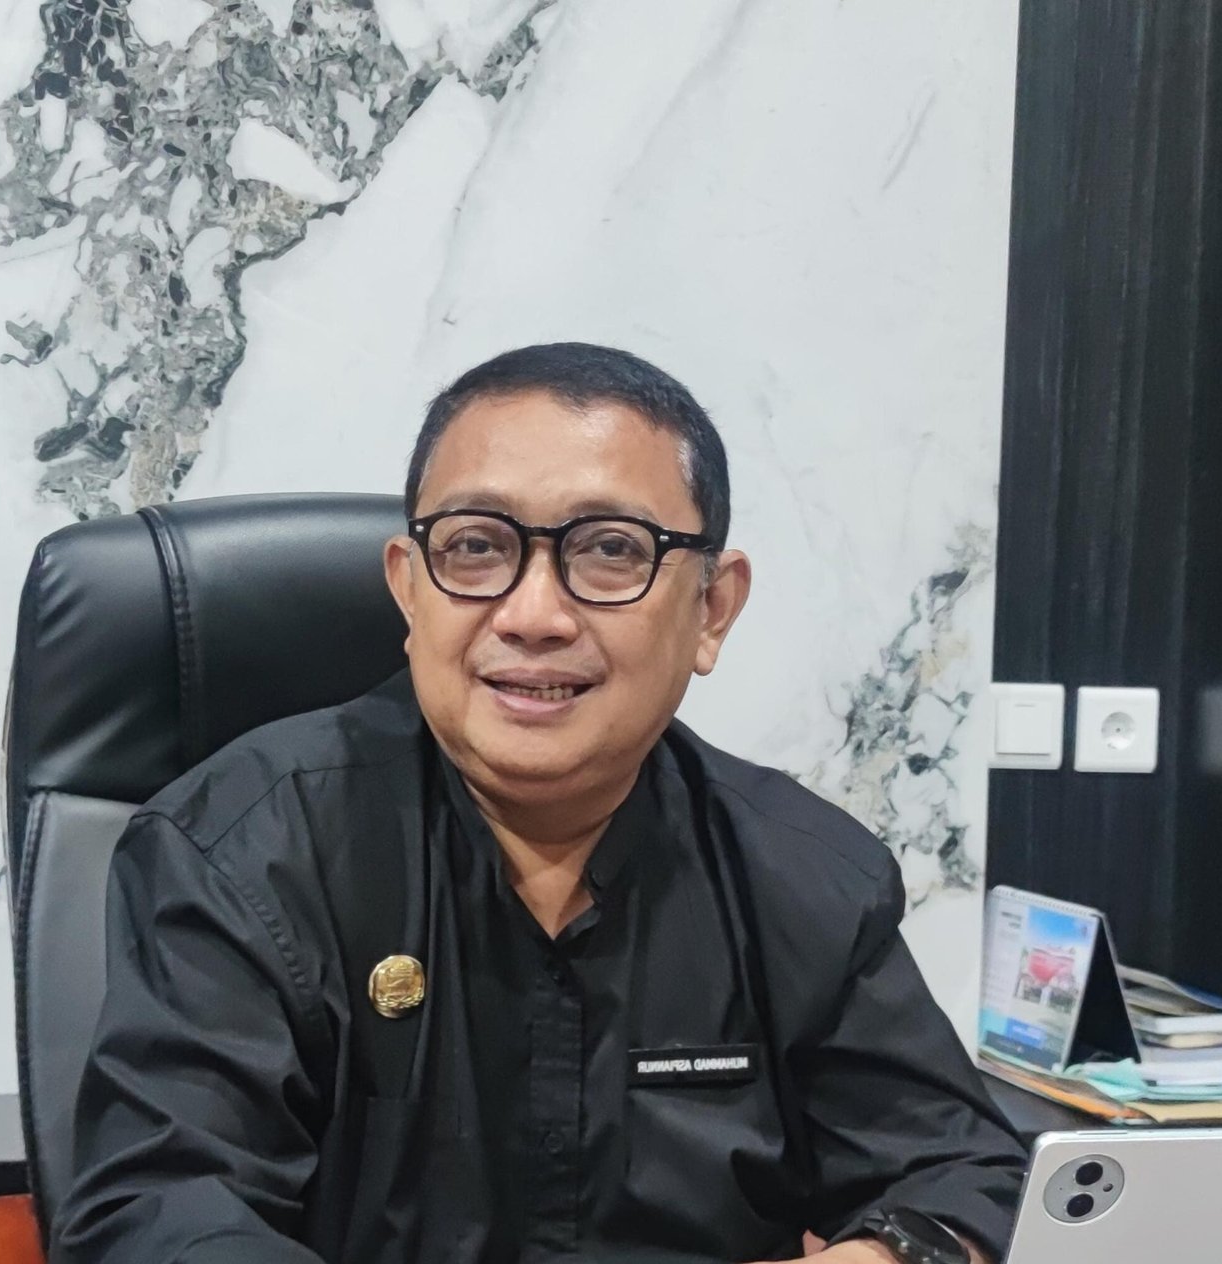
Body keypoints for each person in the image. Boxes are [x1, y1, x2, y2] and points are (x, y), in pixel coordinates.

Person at [52, 343, 1026, 1264]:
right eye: (477, 546)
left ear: (711, 609)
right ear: (409, 590)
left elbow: (967, 1174)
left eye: (610, 550)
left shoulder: (801, 875)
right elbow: (166, 1209)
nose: (533, 615)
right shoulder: (243, 853)